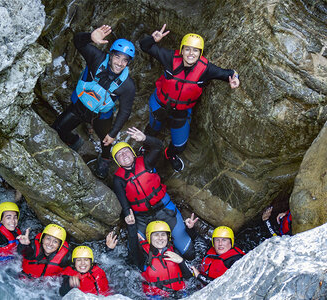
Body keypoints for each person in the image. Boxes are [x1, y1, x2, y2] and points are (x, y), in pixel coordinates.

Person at [139, 24, 240, 172]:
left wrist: (235, 79)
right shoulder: (169, 58)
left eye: (195, 50)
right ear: (182, 50)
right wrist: (152, 39)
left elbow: (230, 73)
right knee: (153, 129)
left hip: (181, 111)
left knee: (180, 145)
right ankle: (145, 146)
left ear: (200, 53)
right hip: (160, 103)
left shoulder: (206, 69)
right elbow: (144, 46)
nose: (191, 53)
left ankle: (170, 154)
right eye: (187, 49)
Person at [52, 24, 136, 179]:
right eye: (117, 57)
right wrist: (90, 36)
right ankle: (74, 141)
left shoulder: (128, 86)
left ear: (128, 63)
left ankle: (104, 158)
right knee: (57, 129)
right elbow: (78, 42)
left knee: (106, 142)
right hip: (79, 106)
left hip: (101, 115)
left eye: (125, 60)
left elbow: (125, 111)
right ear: (110, 55)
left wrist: (113, 133)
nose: (119, 63)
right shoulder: (96, 58)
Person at [112, 127, 196, 259]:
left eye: (126, 151)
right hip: (141, 217)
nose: (124, 155)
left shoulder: (146, 161)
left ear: (133, 153)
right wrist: (128, 214)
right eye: (119, 155)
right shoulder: (118, 179)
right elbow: (123, 200)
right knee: (137, 254)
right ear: (117, 161)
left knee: (189, 253)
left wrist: (145, 138)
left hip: (164, 208)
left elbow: (158, 147)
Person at [121, 218, 194, 298]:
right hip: (155, 297)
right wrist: (131, 227)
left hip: (181, 294)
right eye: (156, 235)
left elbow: (190, 278)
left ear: (167, 237)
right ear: (149, 237)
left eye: (163, 234)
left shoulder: (175, 252)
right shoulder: (144, 255)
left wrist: (181, 261)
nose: (160, 238)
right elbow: (133, 248)